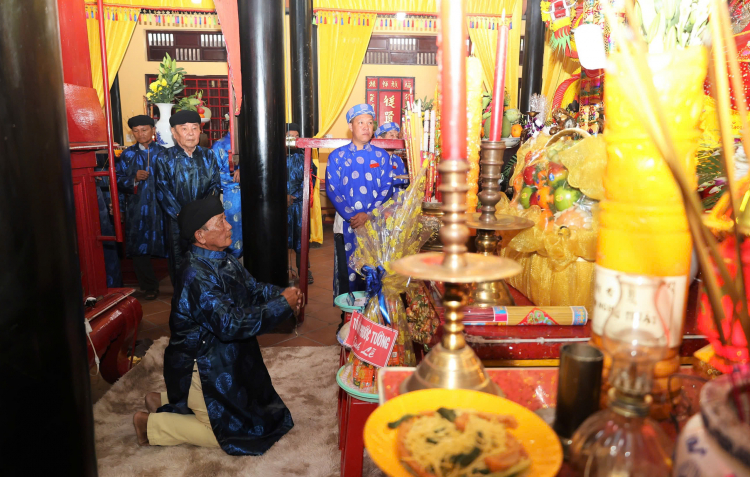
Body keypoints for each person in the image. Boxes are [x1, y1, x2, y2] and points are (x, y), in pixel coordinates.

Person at [132, 196, 301, 455]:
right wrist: (281, 306)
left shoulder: (223, 258)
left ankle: (165, 401)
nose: (229, 226)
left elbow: (253, 289)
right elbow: (229, 323)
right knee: (231, 434)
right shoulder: (195, 275)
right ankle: (151, 425)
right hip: (202, 363)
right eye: (221, 222)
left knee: (261, 413)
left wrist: (283, 295)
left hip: (225, 354)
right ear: (200, 235)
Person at [326, 104, 393, 294]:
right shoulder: (337, 156)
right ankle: (348, 311)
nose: (366, 127)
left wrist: (368, 214)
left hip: (375, 223)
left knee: (373, 272)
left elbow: (387, 188)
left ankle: (372, 311)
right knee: (347, 272)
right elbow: (332, 189)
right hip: (346, 223)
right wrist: (352, 217)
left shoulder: (381, 156)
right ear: (350, 126)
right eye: (361, 122)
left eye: (370, 123)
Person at [153, 110, 221, 284]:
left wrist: (204, 214)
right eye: (184, 129)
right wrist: (182, 216)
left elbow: (215, 185)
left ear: (200, 131)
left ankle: (205, 294)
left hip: (204, 221)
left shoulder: (208, 155)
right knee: (180, 262)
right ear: (174, 133)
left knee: (205, 260)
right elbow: (162, 190)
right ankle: (182, 297)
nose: (190, 133)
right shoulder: (164, 158)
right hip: (177, 220)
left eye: (194, 128)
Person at [116, 115, 166, 299]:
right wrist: (134, 178)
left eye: (144, 130)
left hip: (162, 207)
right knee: (139, 246)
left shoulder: (165, 153)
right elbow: (117, 180)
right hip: (137, 207)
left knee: (170, 244)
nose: (140, 134)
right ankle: (149, 286)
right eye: (136, 131)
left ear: (153, 130)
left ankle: (179, 285)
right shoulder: (127, 155)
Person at [286, 123, 317, 284]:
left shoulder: (305, 156)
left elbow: (310, 180)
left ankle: (304, 269)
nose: (294, 140)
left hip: (299, 205)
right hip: (279, 205)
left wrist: (295, 196)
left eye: (296, 136)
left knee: (301, 238)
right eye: (290, 137)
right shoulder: (273, 156)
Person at [211, 133, 243, 258]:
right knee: (230, 232)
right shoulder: (220, 145)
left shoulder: (251, 140)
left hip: (252, 195)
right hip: (229, 196)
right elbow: (213, 174)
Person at [375, 121, 409, 189]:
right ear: (380, 139)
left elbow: (405, 184)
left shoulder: (398, 160)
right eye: (391, 135)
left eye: (397, 136)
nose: (396, 139)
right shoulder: (373, 159)